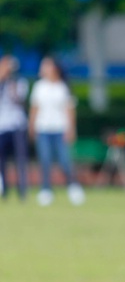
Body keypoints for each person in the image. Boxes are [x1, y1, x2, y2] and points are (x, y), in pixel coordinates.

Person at [29, 56, 85, 206]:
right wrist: (32, 127)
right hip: (43, 129)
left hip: (60, 129)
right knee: (45, 160)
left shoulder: (63, 87)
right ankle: (46, 190)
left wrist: (71, 129)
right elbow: (34, 109)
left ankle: (73, 188)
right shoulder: (39, 87)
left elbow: (69, 110)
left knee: (65, 161)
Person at [0, 55, 29, 199]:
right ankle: (4, 190)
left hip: (17, 125)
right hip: (2, 125)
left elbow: (20, 101)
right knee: (1, 160)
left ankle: (22, 190)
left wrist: (12, 87)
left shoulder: (20, 82)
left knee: (20, 159)